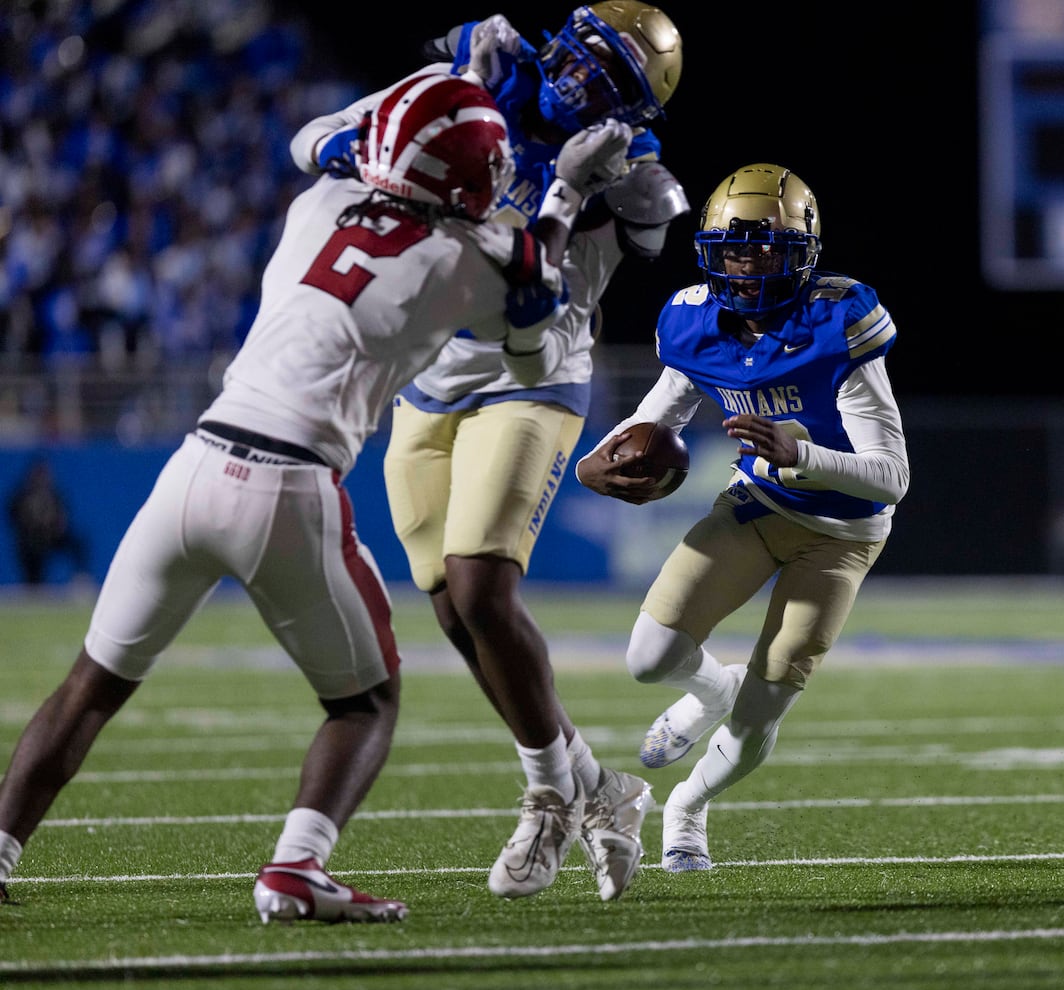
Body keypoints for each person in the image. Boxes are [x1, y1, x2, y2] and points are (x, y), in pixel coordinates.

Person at [0, 74, 632, 918]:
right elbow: (529, 335)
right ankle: (297, 866)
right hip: (289, 486)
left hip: (191, 467)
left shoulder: (319, 200)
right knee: (364, 704)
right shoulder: (466, 260)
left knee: (90, 685)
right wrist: (563, 190)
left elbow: (322, 141)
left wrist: (448, 95)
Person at [290, 2, 685, 902]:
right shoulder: (472, 89)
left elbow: (652, 216)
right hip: (428, 380)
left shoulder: (630, 165)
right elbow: (312, 140)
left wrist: (572, 173)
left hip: (534, 380)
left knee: (480, 585)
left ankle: (548, 797)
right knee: (455, 615)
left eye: (612, 79)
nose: (584, 79)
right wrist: (459, 92)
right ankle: (600, 788)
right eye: (587, 55)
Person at [576, 163, 910, 871]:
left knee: (762, 715)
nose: (747, 263)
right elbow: (657, 413)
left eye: (765, 248)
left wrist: (801, 453)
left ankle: (687, 807)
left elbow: (892, 478)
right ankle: (711, 689)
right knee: (647, 658)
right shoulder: (695, 321)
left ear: (802, 254)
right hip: (756, 506)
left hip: (842, 537)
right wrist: (594, 464)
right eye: (733, 248)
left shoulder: (836, 321)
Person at [6, 456, 89, 588]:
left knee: (77, 543)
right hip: (31, 540)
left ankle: (81, 578)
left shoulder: (54, 494)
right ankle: (33, 585)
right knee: (30, 563)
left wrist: (56, 526)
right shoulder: (23, 495)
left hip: (52, 537)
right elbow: (13, 517)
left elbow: (63, 516)